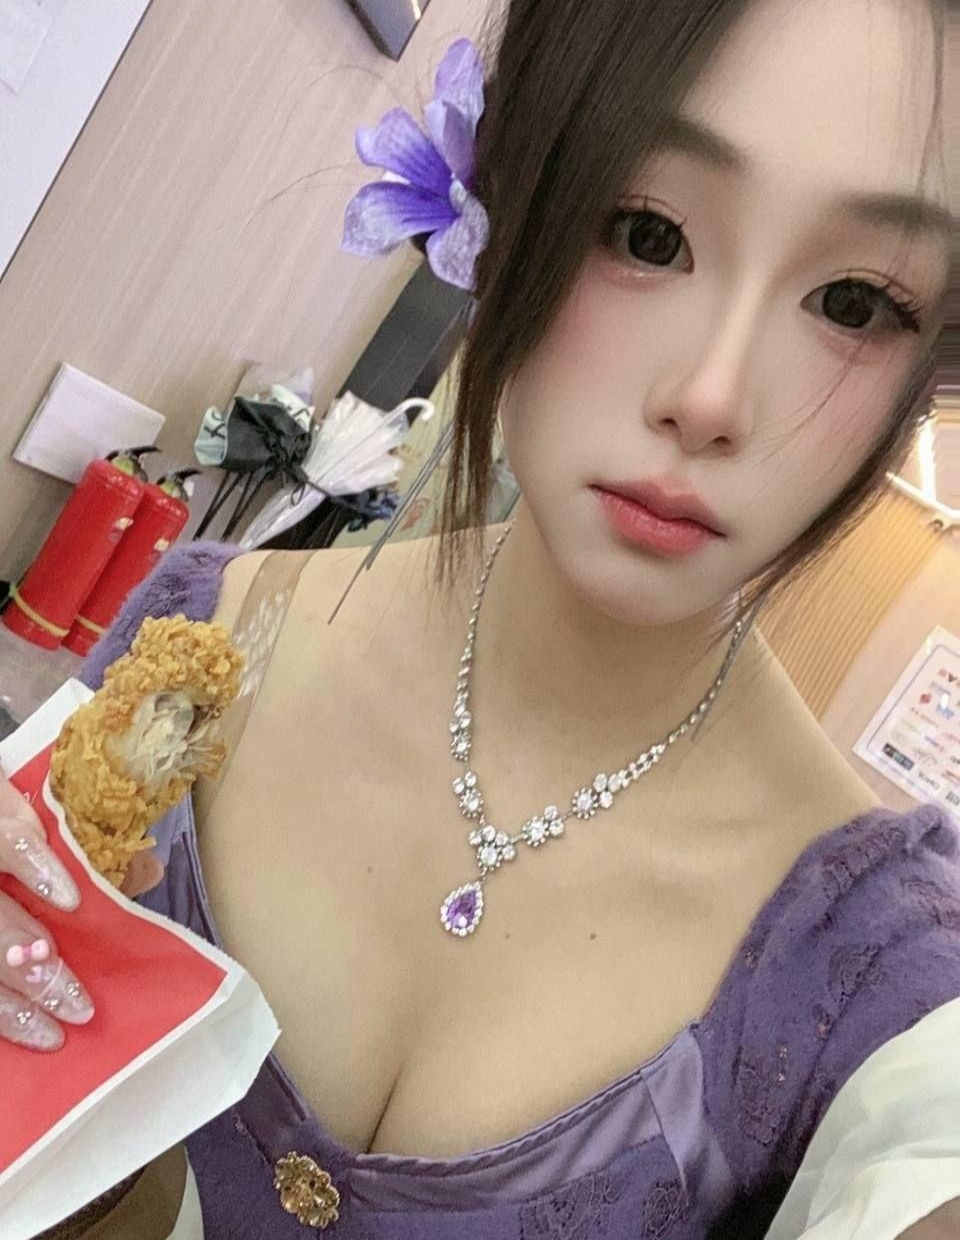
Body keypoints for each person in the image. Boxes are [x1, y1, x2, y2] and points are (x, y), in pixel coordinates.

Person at [1, 0, 957, 1235]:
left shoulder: (877, 981)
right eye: (649, 232)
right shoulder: (200, 647)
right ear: (502, 213)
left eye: (858, 303)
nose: (713, 396)